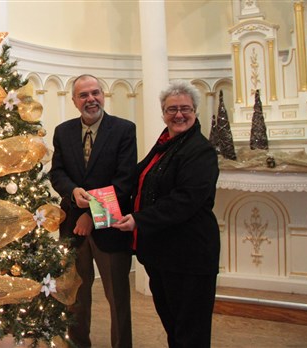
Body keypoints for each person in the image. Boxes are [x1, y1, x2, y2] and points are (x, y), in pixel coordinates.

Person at [113, 80, 220, 348]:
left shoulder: (200, 150)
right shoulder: (165, 144)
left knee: (190, 330)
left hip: (190, 255)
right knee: (173, 324)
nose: (178, 114)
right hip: (162, 254)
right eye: (172, 109)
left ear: (195, 111)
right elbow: (137, 182)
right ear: (163, 113)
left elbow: (185, 200)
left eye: (185, 108)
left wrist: (139, 219)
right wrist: (102, 200)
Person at [50, 74, 136, 348]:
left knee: (117, 298)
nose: (91, 99)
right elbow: (57, 173)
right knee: (76, 296)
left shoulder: (124, 129)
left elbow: (124, 182)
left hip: (110, 228)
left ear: (103, 95)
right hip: (72, 228)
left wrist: (91, 215)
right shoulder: (63, 131)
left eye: (95, 93)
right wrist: (73, 194)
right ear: (74, 101)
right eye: (84, 95)